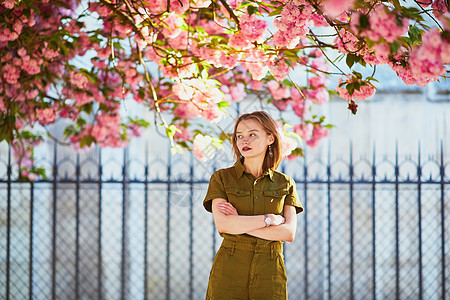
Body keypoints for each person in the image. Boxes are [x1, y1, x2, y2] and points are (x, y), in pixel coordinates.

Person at [203, 111, 303, 300]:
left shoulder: (285, 183)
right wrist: (269, 220)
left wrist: (238, 223)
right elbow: (224, 225)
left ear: (270, 138)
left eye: (252, 134)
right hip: (229, 270)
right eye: (239, 136)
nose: (244, 141)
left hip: (270, 271)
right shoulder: (222, 178)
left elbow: (288, 233)